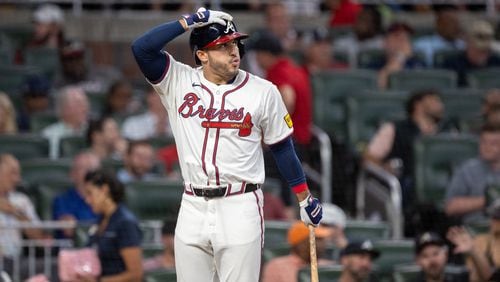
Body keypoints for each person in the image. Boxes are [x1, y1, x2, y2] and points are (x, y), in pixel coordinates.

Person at [131, 8, 323, 281]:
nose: (234, 51)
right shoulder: (179, 80)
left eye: (234, 43)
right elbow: (141, 49)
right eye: (222, 46)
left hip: (240, 202)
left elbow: (282, 147)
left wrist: (304, 197)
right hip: (192, 204)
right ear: (202, 54)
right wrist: (187, 22)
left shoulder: (263, 91)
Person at [364, 90, 447, 211]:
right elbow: (368, 158)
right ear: (418, 104)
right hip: (406, 185)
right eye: (434, 100)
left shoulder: (447, 132)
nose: (440, 105)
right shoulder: (394, 129)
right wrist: (383, 167)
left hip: (441, 185)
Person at [82, 169, 143, 281]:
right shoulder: (100, 220)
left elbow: (135, 275)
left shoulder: (125, 223)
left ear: (104, 190)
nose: (87, 200)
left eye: (90, 193)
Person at [445, 123, 500, 224]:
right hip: (477, 228)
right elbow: (450, 207)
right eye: (483, 142)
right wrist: (488, 201)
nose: (487, 147)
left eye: (493, 143)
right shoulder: (467, 170)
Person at [0, 154, 46, 260]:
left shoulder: (21, 200)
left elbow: (38, 238)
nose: (18, 179)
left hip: (14, 262)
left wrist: (15, 213)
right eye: (13, 173)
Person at [261, 221, 333, 282]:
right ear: (301, 244)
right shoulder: (277, 267)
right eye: (317, 239)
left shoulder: (329, 267)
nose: (323, 244)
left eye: (322, 239)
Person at [52, 152, 101, 238]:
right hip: (74, 249)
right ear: (72, 174)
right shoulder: (63, 200)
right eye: (84, 169)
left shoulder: (108, 198)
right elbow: (69, 230)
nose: (90, 173)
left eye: (92, 169)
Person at [441, 20, 500, 87]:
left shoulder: (497, 64)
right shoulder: (451, 64)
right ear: (468, 43)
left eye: (485, 51)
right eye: (478, 50)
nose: (482, 54)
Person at [374, 21, 426, 89]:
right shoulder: (373, 64)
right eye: (397, 36)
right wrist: (400, 58)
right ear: (385, 42)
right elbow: (378, 87)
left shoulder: (418, 64)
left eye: (406, 38)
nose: (402, 40)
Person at [41, 86, 89, 159]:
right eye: (79, 104)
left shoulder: (93, 131)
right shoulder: (50, 135)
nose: (85, 108)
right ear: (64, 108)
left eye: (85, 103)